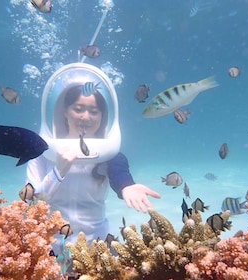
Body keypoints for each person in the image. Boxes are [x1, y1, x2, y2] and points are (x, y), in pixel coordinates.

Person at [26, 63, 160, 249]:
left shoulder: (107, 154)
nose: (86, 117)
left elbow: (118, 169)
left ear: (102, 116)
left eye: (94, 111)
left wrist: (126, 186)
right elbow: (33, 201)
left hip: (98, 246)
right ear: (65, 111)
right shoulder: (40, 153)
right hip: (51, 248)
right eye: (78, 109)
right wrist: (59, 171)